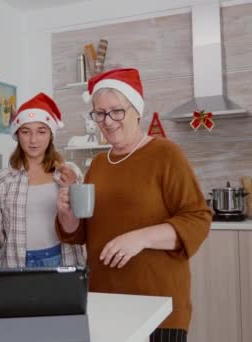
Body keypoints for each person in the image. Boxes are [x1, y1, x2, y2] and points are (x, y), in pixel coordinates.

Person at [56, 68, 212, 342]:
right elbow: (82, 233)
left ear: (136, 110)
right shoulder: (99, 165)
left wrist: (141, 237)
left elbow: (197, 218)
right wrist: (66, 214)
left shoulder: (166, 154)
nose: (108, 121)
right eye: (100, 113)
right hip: (104, 302)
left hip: (158, 306)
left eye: (117, 111)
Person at [0, 93, 85, 267]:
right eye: (25, 131)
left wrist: (75, 189)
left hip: (63, 261)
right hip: (17, 265)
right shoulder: (2, 180)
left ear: (51, 134)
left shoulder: (69, 173)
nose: (33, 140)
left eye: (41, 131)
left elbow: (82, 226)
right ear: (17, 134)